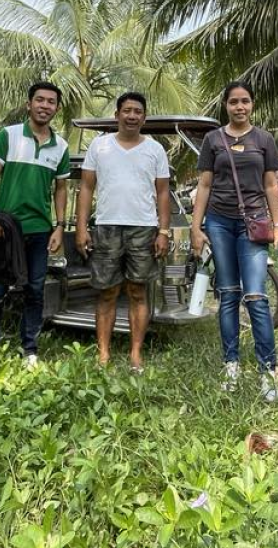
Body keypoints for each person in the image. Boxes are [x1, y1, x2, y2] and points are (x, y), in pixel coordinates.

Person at [190, 81, 278, 402]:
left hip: (253, 224)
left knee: (256, 296)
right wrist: (196, 227)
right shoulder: (213, 140)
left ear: (252, 105)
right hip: (219, 223)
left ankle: (268, 371)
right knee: (228, 294)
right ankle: (231, 366)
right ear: (225, 105)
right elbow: (205, 185)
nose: (240, 107)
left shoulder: (264, 139)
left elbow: (270, 185)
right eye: (234, 101)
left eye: (245, 101)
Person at [75, 92, 171, 372]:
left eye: (137, 111)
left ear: (144, 117)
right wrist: (82, 228)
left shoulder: (155, 149)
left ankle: (135, 355)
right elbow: (86, 188)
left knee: (138, 291)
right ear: (117, 115)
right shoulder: (99, 146)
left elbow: (163, 192)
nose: (132, 116)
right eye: (126, 110)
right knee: (107, 292)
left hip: (144, 229)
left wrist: (163, 231)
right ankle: (103, 355)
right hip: (107, 226)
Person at [0, 82, 70, 368]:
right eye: (39, 100)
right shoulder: (8, 135)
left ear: (56, 108)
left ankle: (29, 349)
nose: (45, 106)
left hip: (40, 231)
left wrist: (59, 226)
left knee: (35, 289)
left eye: (51, 102)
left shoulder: (61, 146)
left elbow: (61, 188)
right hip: (5, 229)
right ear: (29, 104)